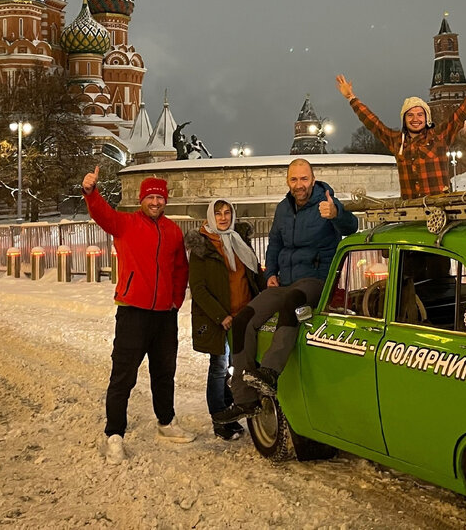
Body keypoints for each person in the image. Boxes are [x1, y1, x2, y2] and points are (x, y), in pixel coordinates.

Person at [216, 159, 358, 422]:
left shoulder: (327, 203)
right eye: (294, 179)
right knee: (243, 320)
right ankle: (245, 398)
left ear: (313, 180)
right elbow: (275, 244)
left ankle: (270, 372)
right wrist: (270, 273)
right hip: (285, 281)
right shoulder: (283, 208)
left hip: (316, 281)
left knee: (293, 300)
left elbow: (351, 227)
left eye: (304, 179)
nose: (299, 184)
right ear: (287, 182)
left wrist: (337, 214)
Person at [82, 166, 194, 463]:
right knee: (123, 376)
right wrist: (91, 192)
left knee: (164, 372)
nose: (155, 202)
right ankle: (114, 434)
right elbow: (102, 214)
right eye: (150, 197)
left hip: (164, 316)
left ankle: (166, 422)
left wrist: (176, 300)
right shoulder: (126, 224)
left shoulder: (172, 230)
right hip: (133, 312)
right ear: (141, 200)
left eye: (160, 197)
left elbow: (181, 268)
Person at [336, 51, 466, 199]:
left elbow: (464, 111)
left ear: (426, 118)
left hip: (440, 209)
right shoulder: (396, 141)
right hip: (411, 210)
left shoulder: (440, 137)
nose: (416, 119)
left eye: (420, 114)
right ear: (404, 119)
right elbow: (372, 122)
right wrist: (351, 98)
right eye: (410, 115)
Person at [185, 199, 263, 440]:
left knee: (239, 366)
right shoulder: (203, 247)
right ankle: (220, 419)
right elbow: (198, 288)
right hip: (220, 319)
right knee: (219, 368)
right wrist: (221, 316)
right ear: (210, 216)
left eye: (227, 212)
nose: (223, 217)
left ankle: (232, 412)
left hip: (245, 314)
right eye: (218, 213)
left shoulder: (239, 241)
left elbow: (253, 274)